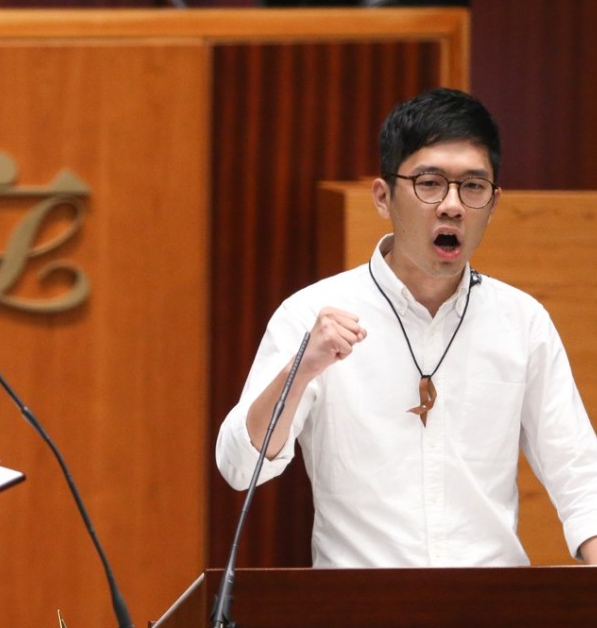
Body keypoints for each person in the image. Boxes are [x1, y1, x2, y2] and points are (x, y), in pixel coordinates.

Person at [216, 87, 597, 567]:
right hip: (361, 608)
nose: (452, 205)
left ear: (493, 203)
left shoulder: (522, 322)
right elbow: (238, 466)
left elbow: (581, 475)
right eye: (430, 183)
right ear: (383, 197)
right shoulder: (311, 314)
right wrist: (301, 368)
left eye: (473, 187)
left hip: (491, 607)